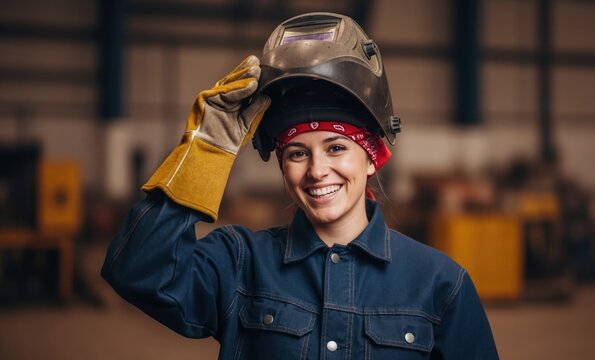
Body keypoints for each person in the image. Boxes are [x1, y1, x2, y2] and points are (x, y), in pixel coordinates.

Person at [102, 12, 499, 359]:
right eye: (296, 153)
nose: (317, 170)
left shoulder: (440, 284)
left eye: (336, 147)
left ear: (372, 155)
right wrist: (207, 151)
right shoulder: (241, 264)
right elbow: (137, 270)